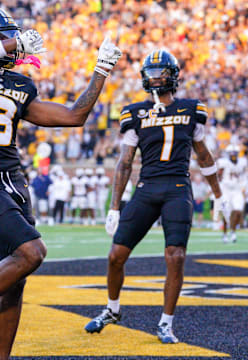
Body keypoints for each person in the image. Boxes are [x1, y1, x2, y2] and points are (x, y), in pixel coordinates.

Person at [0, 5, 121, 359]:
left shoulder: (20, 83)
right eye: (6, 35)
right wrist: (10, 45)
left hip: (15, 185)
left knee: (15, 282)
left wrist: (101, 71)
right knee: (32, 253)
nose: (15, 43)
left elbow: (74, 116)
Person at [84, 50, 229, 344]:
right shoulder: (134, 112)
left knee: (175, 257)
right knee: (115, 256)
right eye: (150, 72)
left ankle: (165, 323)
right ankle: (112, 310)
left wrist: (218, 195)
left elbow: (203, 155)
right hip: (146, 188)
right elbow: (125, 162)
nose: (155, 78)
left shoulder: (191, 109)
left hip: (177, 188)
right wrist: (114, 207)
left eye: (161, 71)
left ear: (173, 75)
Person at [217, 144, 247, 242]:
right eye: (231, 153)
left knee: (238, 211)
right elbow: (218, 175)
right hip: (226, 189)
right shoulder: (223, 162)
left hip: (237, 189)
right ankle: (225, 233)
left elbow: (244, 174)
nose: (233, 155)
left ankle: (233, 231)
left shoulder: (243, 162)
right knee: (226, 213)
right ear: (228, 154)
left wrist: (244, 187)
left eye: (235, 153)